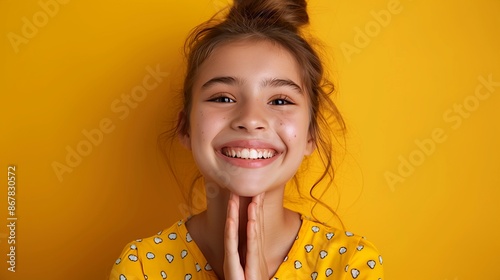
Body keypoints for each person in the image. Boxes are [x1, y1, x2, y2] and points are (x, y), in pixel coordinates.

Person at [109, 0, 384, 279]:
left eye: (279, 100)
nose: (251, 119)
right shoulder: (141, 267)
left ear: (311, 134)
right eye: (223, 98)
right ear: (185, 129)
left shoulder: (350, 265)